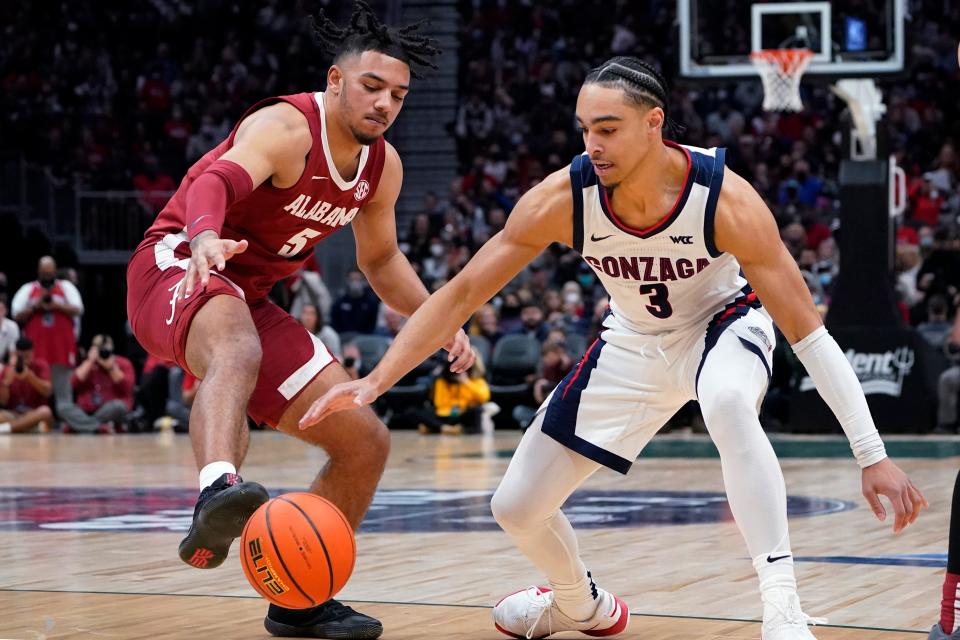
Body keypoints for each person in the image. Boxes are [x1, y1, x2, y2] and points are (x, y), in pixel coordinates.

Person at [306, 56, 928, 640]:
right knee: (516, 506)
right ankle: (580, 604)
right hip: (631, 343)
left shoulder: (725, 199)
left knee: (729, 401)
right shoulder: (564, 197)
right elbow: (461, 291)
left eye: (607, 128)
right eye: (584, 130)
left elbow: (809, 335)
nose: (592, 145)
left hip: (723, 325)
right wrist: (377, 381)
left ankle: (783, 604)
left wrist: (871, 454)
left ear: (654, 123)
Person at [124, 4, 472, 638]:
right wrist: (203, 237)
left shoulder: (381, 167)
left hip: (249, 296)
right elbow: (212, 183)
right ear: (335, 80)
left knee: (363, 440)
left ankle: (300, 599)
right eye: (372, 87)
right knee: (235, 343)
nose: (384, 104)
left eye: (397, 94)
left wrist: (437, 318)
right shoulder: (287, 125)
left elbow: (383, 260)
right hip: (176, 263)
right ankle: (215, 492)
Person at [11, 256, 84, 403]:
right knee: (36, 391)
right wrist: (35, 306)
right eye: (44, 273)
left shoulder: (65, 287)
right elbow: (15, 314)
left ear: (55, 271)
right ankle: (37, 419)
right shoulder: (28, 289)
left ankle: (65, 421)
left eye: (50, 273)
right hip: (36, 350)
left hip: (61, 349)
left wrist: (57, 306)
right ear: (38, 271)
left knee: (64, 394)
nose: (47, 276)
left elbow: (78, 309)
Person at [59, 334, 136, 434]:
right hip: (85, 409)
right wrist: (90, 362)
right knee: (63, 407)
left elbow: (128, 388)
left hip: (110, 410)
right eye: (99, 350)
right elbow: (73, 383)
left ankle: (78, 425)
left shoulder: (123, 363)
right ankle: (98, 427)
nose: (102, 353)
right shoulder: (87, 364)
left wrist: (111, 368)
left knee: (118, 406)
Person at [0, 337, 53, 433]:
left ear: (32, 353)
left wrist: (30, 377)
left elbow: (47, 392)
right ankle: (28, 427)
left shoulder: (41, 365)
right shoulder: (8, 369)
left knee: (45, 412)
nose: (24, 360)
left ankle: (7, 428)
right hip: (14, 414)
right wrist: (6, 383)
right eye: (21, 356)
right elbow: (3, 401)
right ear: (16, 354)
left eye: (27, 356)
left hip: (34, 413)